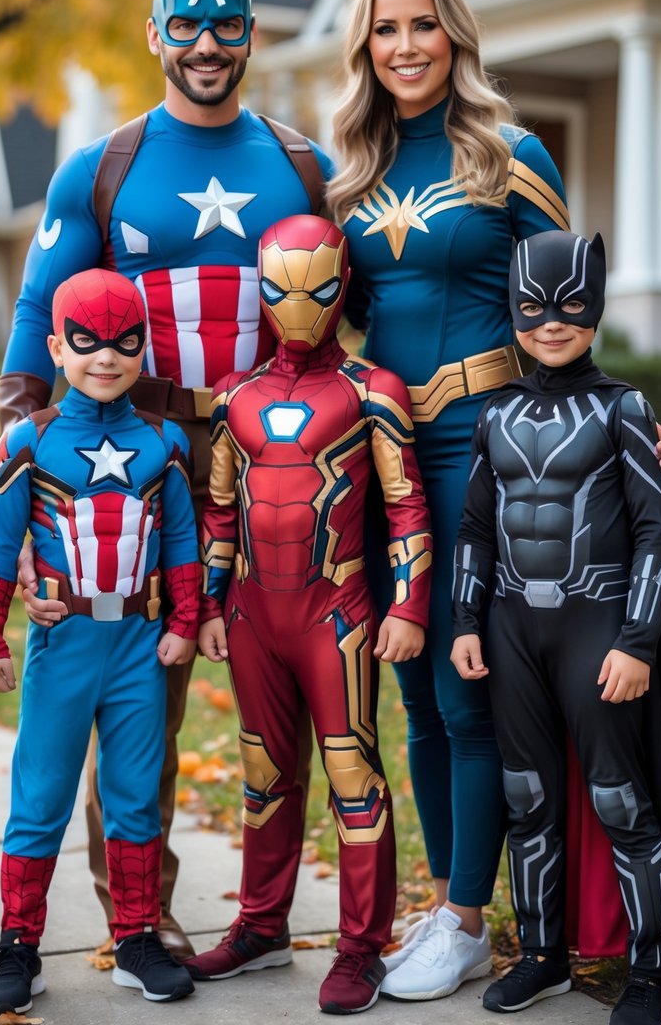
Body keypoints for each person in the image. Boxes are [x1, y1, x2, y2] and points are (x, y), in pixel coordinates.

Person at [326, 0, 661, 1001]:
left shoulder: (508, 153)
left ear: (455, 34)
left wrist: (628, 422)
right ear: (364, 47)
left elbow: (564, 306)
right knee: (410, 691)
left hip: (490, 456)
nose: (405, 47)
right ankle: (451, 908)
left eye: (422, 25)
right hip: (384, 462)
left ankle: (470, 914)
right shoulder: (348, 171)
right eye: (384, 30)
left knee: (462, 688)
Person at [0, 0, 333, 957]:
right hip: (135, 453)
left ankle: (269, 908)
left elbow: (350, 316)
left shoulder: (303, 165)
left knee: (290, 679)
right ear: (154, 36)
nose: (204, 45)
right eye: (182, 27)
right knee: (148, 687)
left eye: (224, 26)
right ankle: (137, 912)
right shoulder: (99, 168)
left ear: (250, 36)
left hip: (274, 451)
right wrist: (18, 476)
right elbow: (31, 323)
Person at [450, 229, 661, 1022]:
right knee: (527, 796)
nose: (550, 323)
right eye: (531, 308)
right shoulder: (494, 415)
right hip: (510, 630)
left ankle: (650, 972)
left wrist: (636, 642)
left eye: (569, 306)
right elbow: (476, 529)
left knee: (618, 798)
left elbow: (651, 534)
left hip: (596, 629)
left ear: (594, 308)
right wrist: (464, 621)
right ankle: (540, 954)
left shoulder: (624, 407)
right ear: (512, 314)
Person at [184, 215, 433, 1014]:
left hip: (339, 613)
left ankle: (361, 947)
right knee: (262, 776)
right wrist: (212, 606)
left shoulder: (372, 390)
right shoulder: (234, 397)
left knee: (352, 777)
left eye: (318, 290)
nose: (297, 306)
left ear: (342, 289)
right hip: (255, 616)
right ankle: (261, 928)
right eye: (278, 289)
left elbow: (406, 508)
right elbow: (219, 511)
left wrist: (410, 606)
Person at [0, 269, 201, 1015]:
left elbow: (180, 546)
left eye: (123, 342)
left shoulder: (164, 440)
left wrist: (184, 624)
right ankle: (18, 944)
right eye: (87, 341)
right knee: (39, 799)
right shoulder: (29, 439)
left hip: (138, 644)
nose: (106, 356)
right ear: (55, 348)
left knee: (134, 799)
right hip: (63, 642)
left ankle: (135, 938)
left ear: (144, 349)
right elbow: (0, 545)